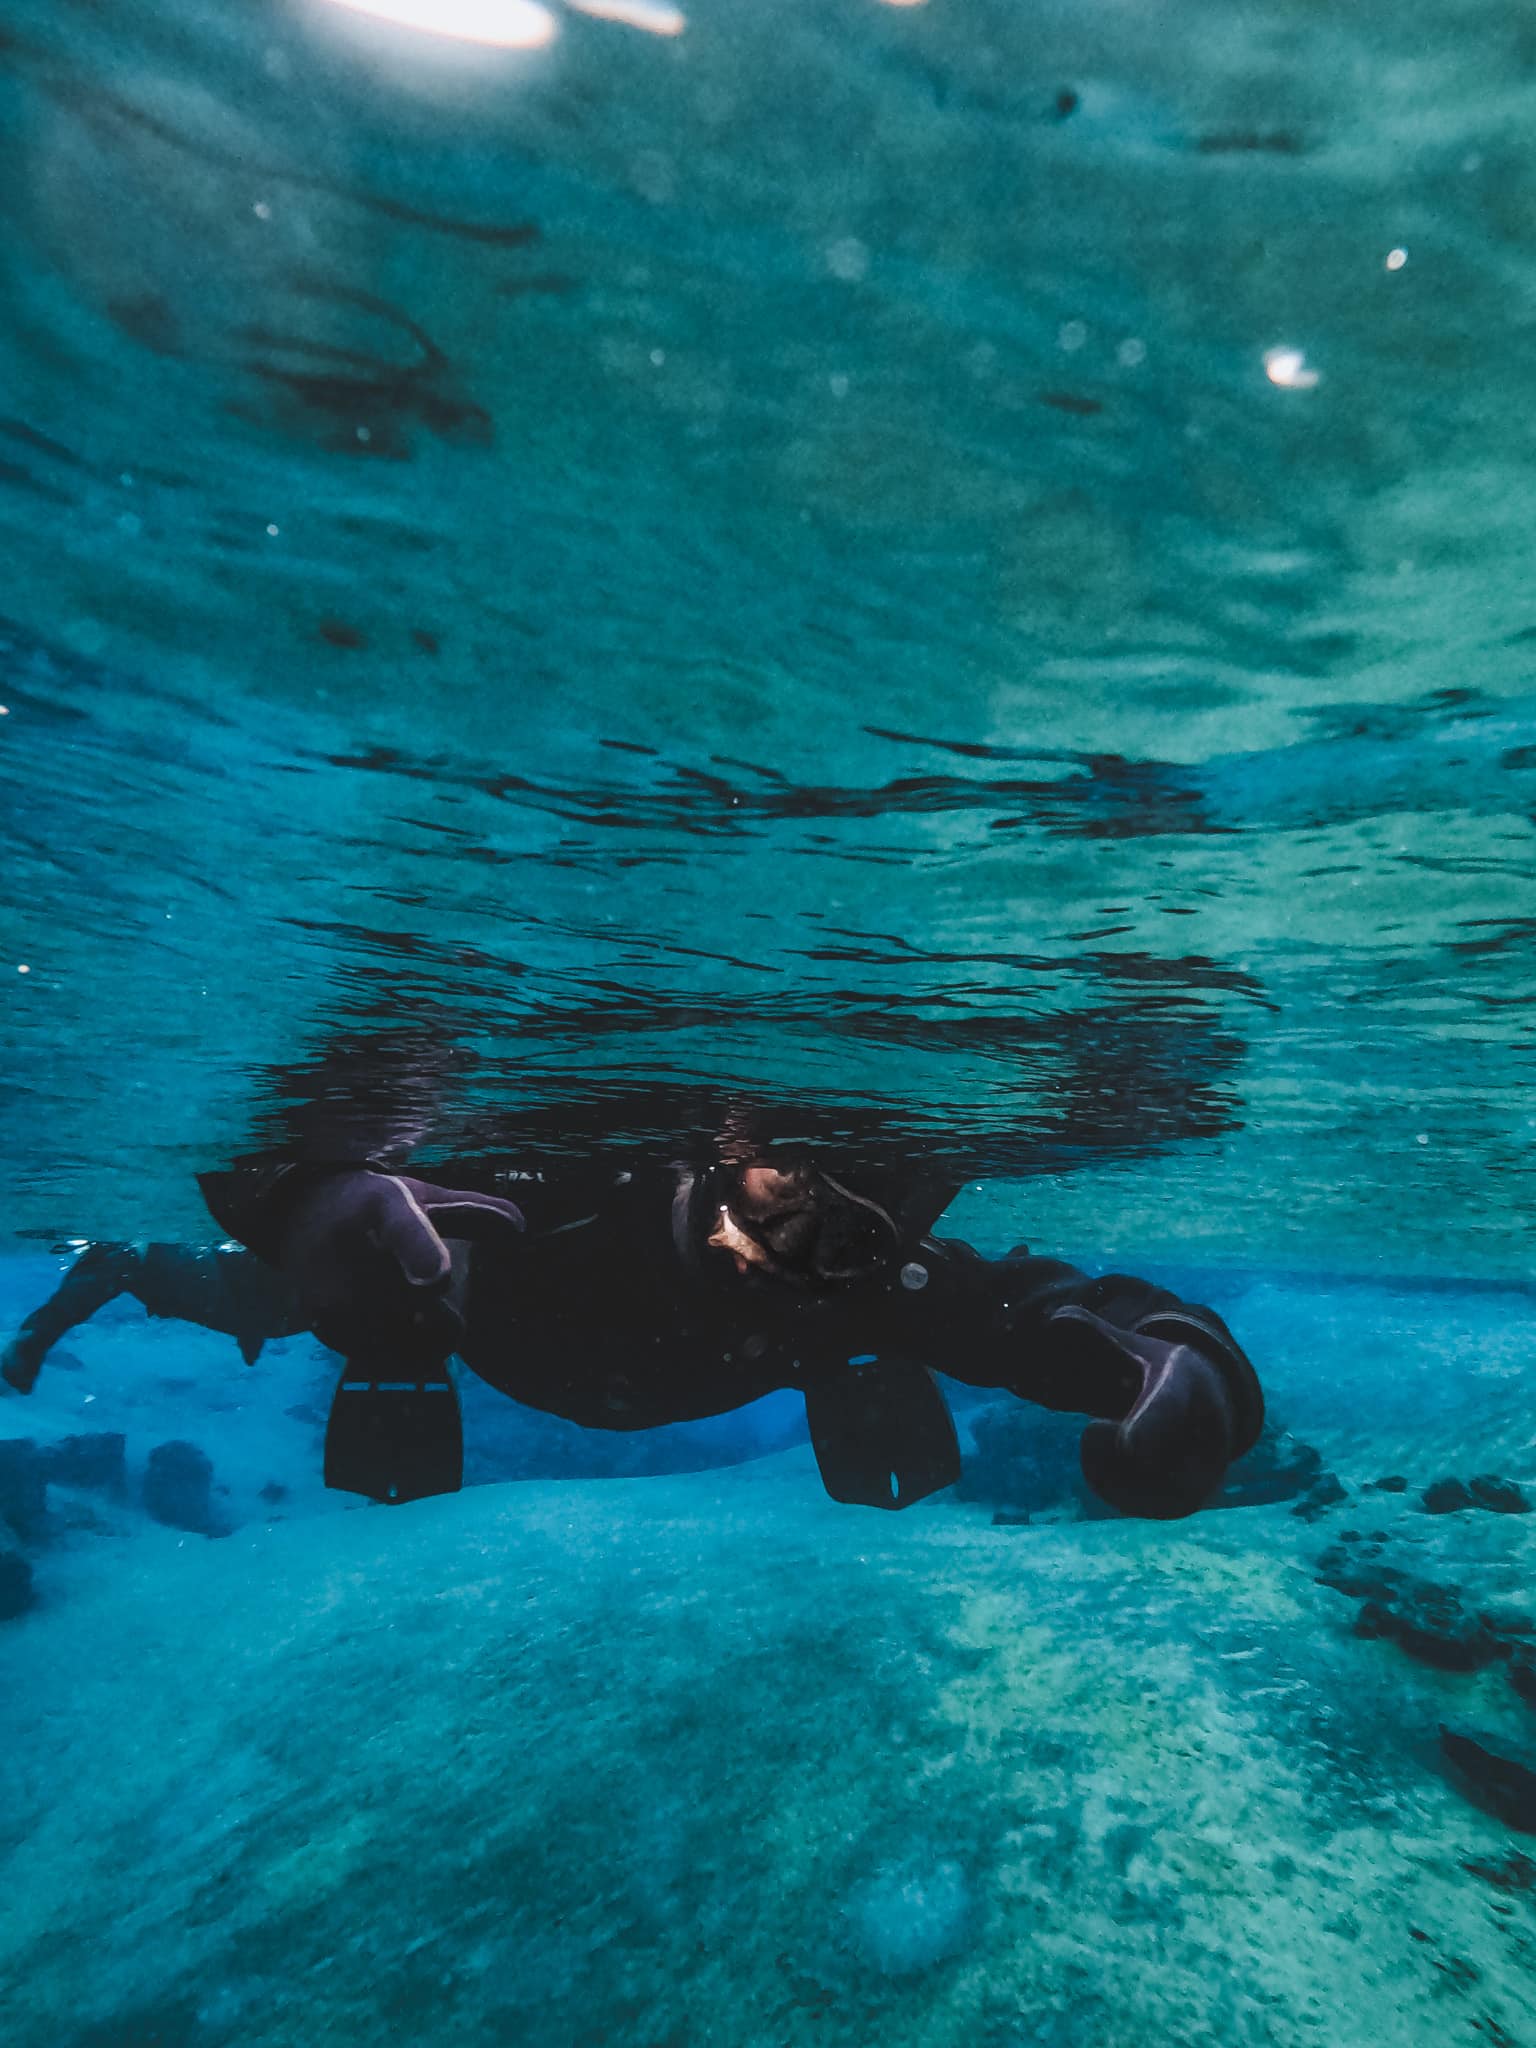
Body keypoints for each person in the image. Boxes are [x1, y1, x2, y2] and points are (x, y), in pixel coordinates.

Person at [191, 1148, 1263, 1519]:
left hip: (545, 1346)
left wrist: (1186, 1361)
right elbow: (260, 1164)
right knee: (329, 1291)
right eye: (789, 1186)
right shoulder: (547, 1185)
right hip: (469, 1322)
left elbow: (1038, 1309)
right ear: (717, 1160)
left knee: (878, 1318)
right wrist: (300, 1200)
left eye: (866, 1216)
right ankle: (133, 1279)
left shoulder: (870, 1284)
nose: (800, 1245)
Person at [1, 1240, 306, 1395]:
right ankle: (32, 1343)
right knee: (128, 1256)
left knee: (126, 1254)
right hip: (271, 1309)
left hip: (262, 1304)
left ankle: (32, 1342)